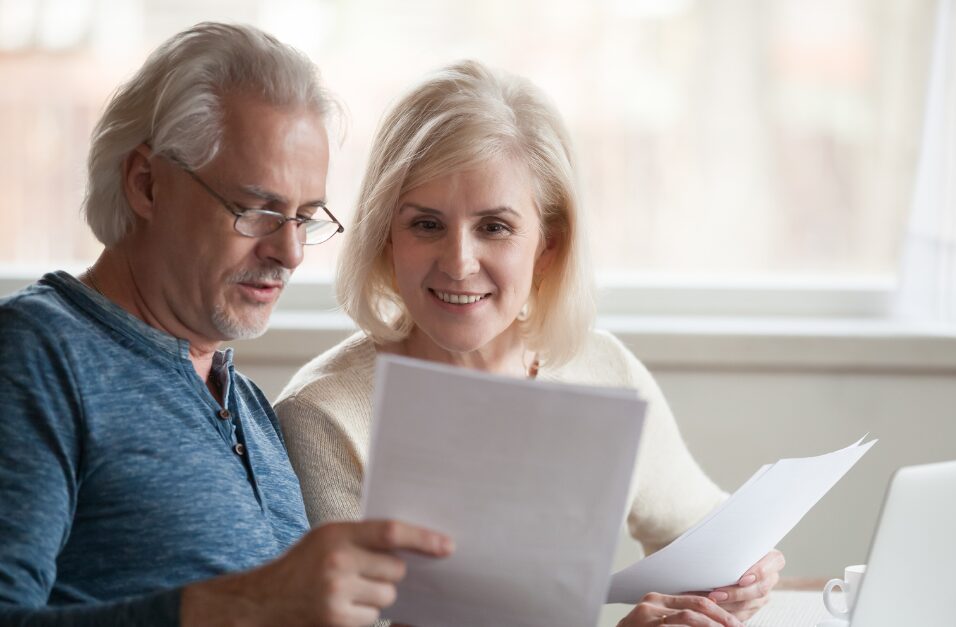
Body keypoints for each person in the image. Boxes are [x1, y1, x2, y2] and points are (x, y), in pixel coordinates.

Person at [275, 60, 785, 626]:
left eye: (494, 227)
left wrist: (744, 572)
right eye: (425, 224)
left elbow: (698, 526)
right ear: (384, 236)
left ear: (548, 245)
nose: (459, 262)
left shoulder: (602, 367)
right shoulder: (324, 416)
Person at [0, 22, 452, 627]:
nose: (290, 253)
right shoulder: (37, 356)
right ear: (147, 183)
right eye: (259, 210)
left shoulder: (250, 407)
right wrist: (243, 605)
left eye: (306, 217)